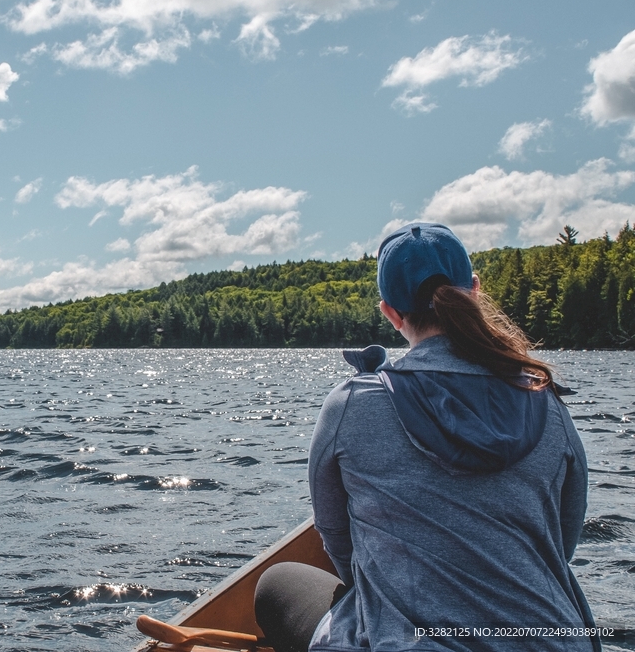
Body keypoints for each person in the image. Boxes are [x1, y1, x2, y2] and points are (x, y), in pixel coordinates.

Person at [254, 222, 599, 652]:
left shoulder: (352, 404)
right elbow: (562, 542)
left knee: (278, 582)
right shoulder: (546, 400)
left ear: (390, 313)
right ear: (474, 291)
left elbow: (336, 536)